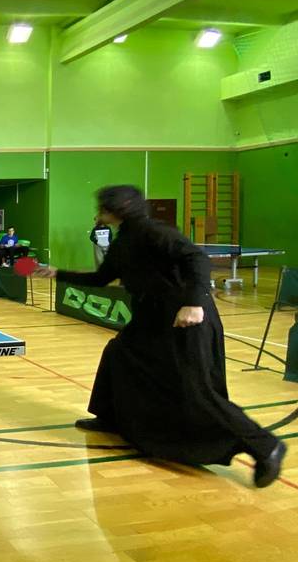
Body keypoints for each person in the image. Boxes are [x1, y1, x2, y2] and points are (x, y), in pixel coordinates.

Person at [34, 185, 286, 488]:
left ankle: (266, 446)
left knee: (197, 391)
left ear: (118, 208)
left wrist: (193, 303)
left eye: (102, 207)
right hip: (152, 318)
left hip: (185, 317)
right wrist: (56, 273)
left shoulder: (155, 232)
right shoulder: (123, 240)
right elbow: (101, 278)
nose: (98, 212)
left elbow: (197, 259)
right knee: (119, 353)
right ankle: (110, 417)